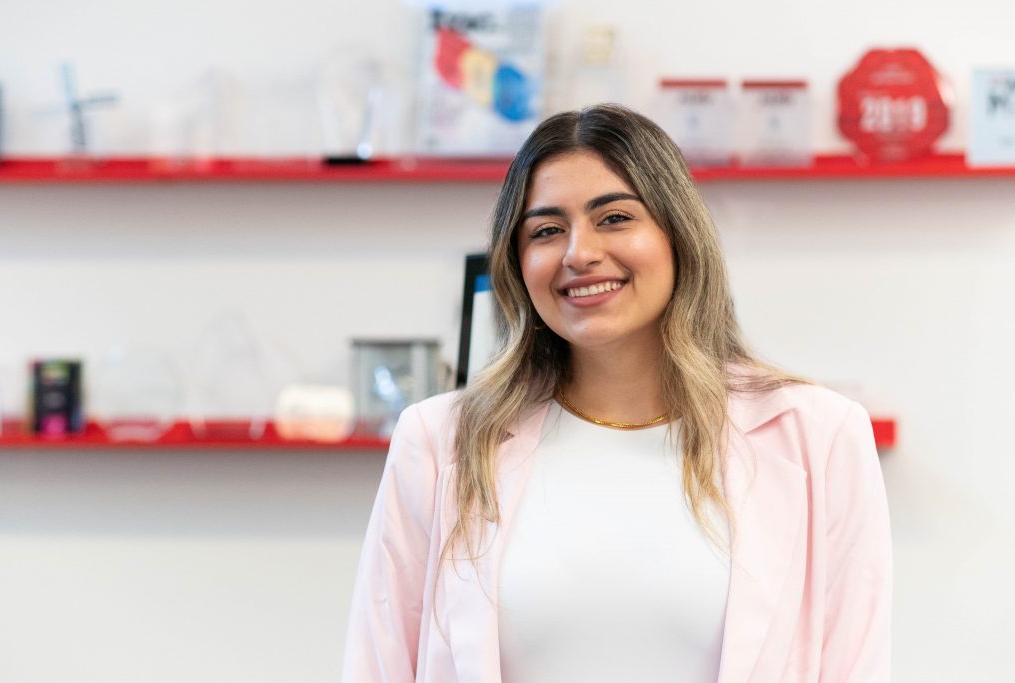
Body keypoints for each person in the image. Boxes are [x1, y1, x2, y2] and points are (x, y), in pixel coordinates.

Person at [342, 104, 892, 682]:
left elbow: (854, 665)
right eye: (547, 230)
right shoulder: (440, 440)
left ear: (678, 234)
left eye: (614, 218)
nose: (579, 253)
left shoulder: (819, 435)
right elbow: (379, 665)